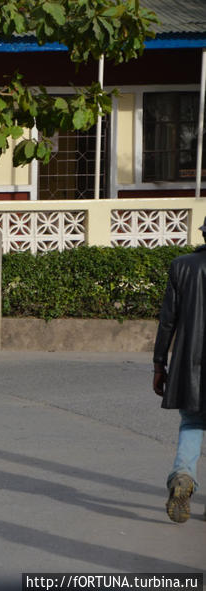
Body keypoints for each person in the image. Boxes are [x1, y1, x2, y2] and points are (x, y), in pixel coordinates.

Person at [153, 217, 206, 524]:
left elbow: (167, 320)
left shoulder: (182, 266)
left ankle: (183, 477)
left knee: (191, 423)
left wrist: (159, 364)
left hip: (190, 365)